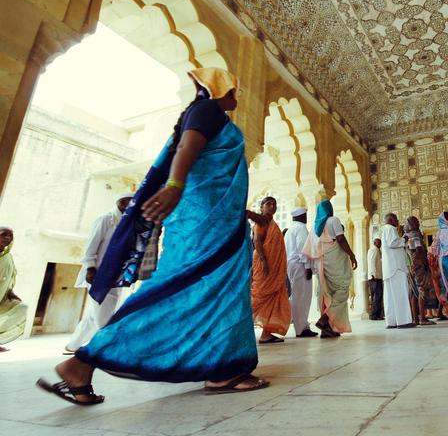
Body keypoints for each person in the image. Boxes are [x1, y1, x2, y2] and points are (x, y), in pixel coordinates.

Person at [37, 67, 269, 406]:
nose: (236, 97)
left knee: (202, 293)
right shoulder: (207, 110)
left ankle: (219, 367)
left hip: (211, 222)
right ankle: (84, 361)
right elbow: (189, 146)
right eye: (233, 90)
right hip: (204, 223)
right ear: (220, 89)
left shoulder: (208, 114)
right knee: (178, 293)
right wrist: (174, 185)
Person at [64, 193, 136, 354]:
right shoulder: (106, 219)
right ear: (122, 202)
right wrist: (90, 267)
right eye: (131, 201)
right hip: (99, 274)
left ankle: (73, 345)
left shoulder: (127, 222)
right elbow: (91, 245)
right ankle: (108, 349)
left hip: (116, 273)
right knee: (105, 313)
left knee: (94, 314)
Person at [302, 200, 357, 338]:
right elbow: (341, 238)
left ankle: (328, 329)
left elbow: (311, 248)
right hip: (335, 261)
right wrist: (352, 255)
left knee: (327, 293)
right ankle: (324, 319)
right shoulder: (333, 220)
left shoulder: (315, 227)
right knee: (342, 289)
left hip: (322, 263)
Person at [251, 197, 291, 344]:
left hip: (273, 267)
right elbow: (257, 240)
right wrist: (263, 260)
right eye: (268, 204)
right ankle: (235, 325)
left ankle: (266, 334)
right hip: (264, 265)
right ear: (261, 207)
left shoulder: (271, 223)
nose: (273, 206)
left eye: (275, 204)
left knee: (273, 296)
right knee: (258, 296)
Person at [284, 207, 317, 338]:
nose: (306, 218)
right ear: (301, 217)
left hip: (292, 265)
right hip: (300, 265)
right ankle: (302, 328)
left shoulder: (290, 229)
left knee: (297, 296)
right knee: (302, 296)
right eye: (305, 215)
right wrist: (308, 266)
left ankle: (300, 326)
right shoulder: (300, 228)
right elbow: (302, 248)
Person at [380, 213, 414, 329]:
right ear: (390, 220)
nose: (397, 221)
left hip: (390, 268)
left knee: (390, 297)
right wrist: (404, 238)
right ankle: (403, 321)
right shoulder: (390, 228)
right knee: (400, 294)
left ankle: (392, 322)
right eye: (395, 219)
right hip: (396, 267)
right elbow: (393, 243)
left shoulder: (385, 230)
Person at [403, 216, 437, 325]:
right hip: (418, 264)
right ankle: (422, 317)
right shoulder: (415, 234)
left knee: (413, 291)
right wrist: (426, 264)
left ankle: (415, 318)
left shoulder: (405, 236)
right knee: (422, 289)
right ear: (413, 225)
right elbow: (418, 250)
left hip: (409, 265)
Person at [0, 227, 28, 352]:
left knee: (22, 307)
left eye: (10, 235)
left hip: (2, 296)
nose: (7, 238)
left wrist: (10, 291)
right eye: (3, 234)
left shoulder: (7, 257)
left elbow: (7, 276)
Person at [367, 238, 384, 320]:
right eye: (378, 242)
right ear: (374, 242)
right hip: (375, 276)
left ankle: (377, 314)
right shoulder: (374, 250)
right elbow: (372, 262)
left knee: (376, 295)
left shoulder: (375, 250)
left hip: (376, 276)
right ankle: (374, 314)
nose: (380, 244)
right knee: (377, 295)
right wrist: (373, 274)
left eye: (380, 242)